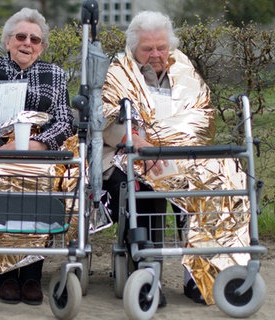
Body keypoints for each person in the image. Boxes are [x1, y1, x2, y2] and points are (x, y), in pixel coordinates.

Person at [101, 11, 215, 307]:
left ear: (170, 46)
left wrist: (175, 147)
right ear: (134, 49)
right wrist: (139, 143)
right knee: (145, 188)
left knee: (205, 184)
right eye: (147, 48)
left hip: (181, 154)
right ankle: (149, 272)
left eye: (161, 47)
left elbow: (203, 113)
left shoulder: (184, 68)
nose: (155, 54)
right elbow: (104, 119)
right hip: (130, 155)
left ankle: (197, 275)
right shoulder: (119, 69)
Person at [0, 8, 73, 305]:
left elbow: (64, 121)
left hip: (39, 155)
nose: (28, 43)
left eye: (35, 39)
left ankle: (32, 275)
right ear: (8, 41)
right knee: (0, 177)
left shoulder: (55, 73)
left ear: (42, 46)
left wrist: (39, 145)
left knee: (43, 181)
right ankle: (7, 275)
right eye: (21, 36)